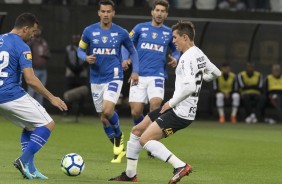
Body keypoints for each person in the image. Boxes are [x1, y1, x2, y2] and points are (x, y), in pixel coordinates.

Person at [109, 20, 221, 183]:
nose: (173, 41)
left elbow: (189, 87)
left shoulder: (187, 58)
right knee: (137, 131)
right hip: (177, 108)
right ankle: (130, 174)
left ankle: (180, 166)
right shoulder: (198, 53)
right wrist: (203, 77)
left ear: (185, 37)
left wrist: (172, 102)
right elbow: (216, 72)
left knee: (145, 140)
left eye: (175, 38)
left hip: (180, 112)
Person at [0, 12, 67, 179]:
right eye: (32, 32)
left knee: (30, 126)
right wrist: (52, 98)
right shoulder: (22, 47)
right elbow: (31, 80)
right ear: (25, 29)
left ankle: (30, 169)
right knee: (47, 124)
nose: (33, 35)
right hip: (11, 94)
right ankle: (23, 160)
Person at [77, 0, 139, 163]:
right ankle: (119, 149)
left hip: (114, 76)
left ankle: (119, 136)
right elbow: (80, 50)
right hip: (96, 79)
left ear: (113, 13)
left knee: (107, 109)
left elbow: (133, 51)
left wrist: (135, 71)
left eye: (108, 11)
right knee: (104, 119)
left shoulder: (121, 32)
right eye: (103, 11)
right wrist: (85, 57)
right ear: (99, 13)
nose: (105, 14)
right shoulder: (89, 31)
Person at [122, 0, 179, 128]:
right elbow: (127, 44)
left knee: (155, 106)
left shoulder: (169, 32)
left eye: (162, 11)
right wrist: (125, 58)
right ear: (152, 12)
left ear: (166, 14)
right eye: (157, 10)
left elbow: (176, 49)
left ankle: (149, 139)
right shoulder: (140, 28)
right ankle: (143, 131)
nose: (159, 13)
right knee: (136, 112)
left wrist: (176, 58)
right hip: (139, 74)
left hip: (157, 75)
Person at [64, 33, 88, 116]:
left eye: (78, 39)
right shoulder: (68, 48)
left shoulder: (86, 49)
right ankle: (67, 111)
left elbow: (87, 61)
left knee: (82, 93)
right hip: (71, 74)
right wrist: (74, 69)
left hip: (82, 74)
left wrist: (80, 69)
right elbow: (66, 61)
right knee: (69, 92)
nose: (76, 41)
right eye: (74, 39)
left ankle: (80, 111)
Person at [26, 24, 50, 105]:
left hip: (43, 69)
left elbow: (47, 54)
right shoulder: (31, 42)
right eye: (36, 30)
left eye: (39, 30)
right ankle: (29, 108)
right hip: (34, 69)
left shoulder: (43, 42)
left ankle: (39, 109)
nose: (38, 32)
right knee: (32, 90)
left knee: (42, 91)